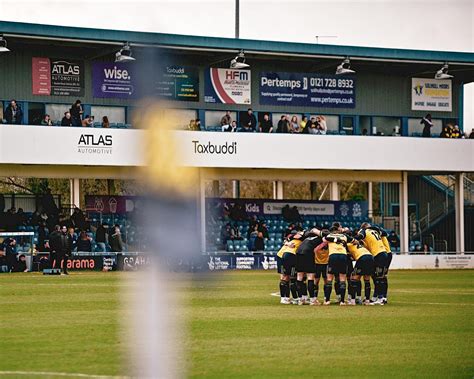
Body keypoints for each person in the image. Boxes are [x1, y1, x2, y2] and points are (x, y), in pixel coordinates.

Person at [357, 223, 389, 305]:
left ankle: (381, 298)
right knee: (379, 276)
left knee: (379, 277)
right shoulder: (374, 231)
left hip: (378, 254)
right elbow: (385, 234)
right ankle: (380, 297)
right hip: (383, 253)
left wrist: (353, 239)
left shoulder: (364, 231)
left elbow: (360, 236)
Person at [321, 226, 353, 306]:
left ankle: (327, 301)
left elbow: (323, 240)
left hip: (333, 255)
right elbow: (354, 241)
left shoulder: (329, 236)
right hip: (343, 255)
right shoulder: (344, 236)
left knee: (329, 279)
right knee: (342, 279)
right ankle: (342, 301)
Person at [295, 228, 322, 305]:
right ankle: (312, 300)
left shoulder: (306, 238)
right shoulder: (319, 238)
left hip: (298, 253)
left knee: (299, 277)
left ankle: (301, 299)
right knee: (310, 277)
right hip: (308, 253)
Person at [276, 230, 303, 304]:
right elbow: (285, 240)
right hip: (282, 256)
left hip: (285, 255)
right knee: (285, 277)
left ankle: (287, 298)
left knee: (287, 277)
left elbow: (286, 240)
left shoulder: (293, 239)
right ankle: (284, 298)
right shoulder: (297, 238)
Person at [347, 238, 375, 305]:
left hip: (362, 258)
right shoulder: (360, 244)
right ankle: (367, 301)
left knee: (354, 279)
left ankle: (352, 301)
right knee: (367, 280)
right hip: (370, 257)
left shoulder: (348, 244)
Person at [313, 235, 329, 305]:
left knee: (323, 282)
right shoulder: (321, 246)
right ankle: (315, 298)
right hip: (319, 265)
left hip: (322, 265)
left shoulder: (319, 247)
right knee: (318, 281)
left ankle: (324, 297)